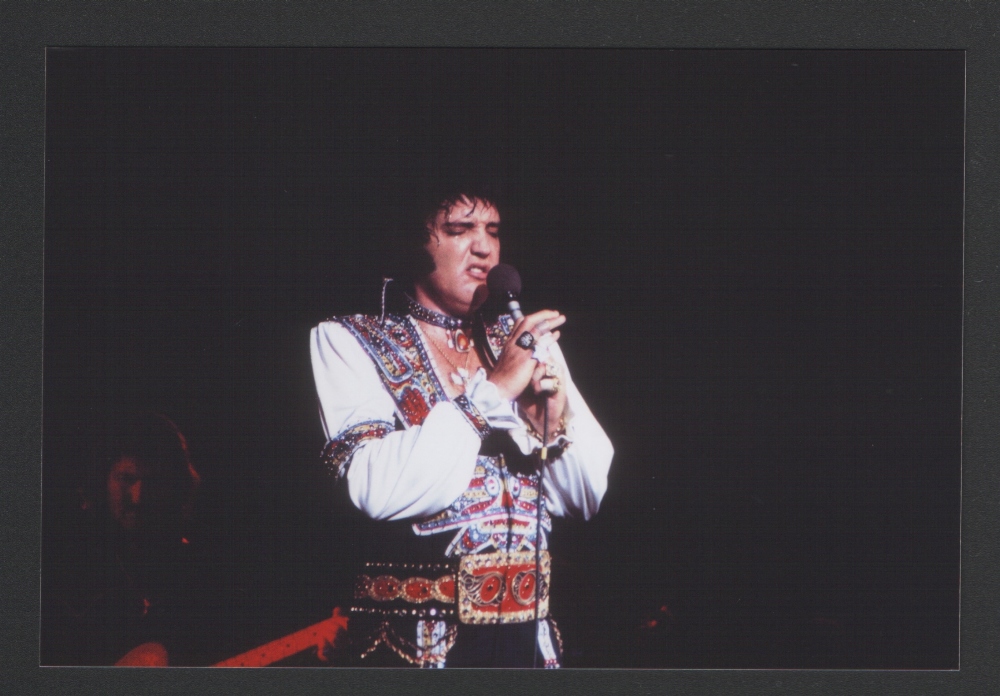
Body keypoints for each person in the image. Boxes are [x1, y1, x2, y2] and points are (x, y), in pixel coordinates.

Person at [310, 183, 614, 667]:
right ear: (414, 242)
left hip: (529, 646)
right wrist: (490, 394)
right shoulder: (348, 340)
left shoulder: (523, 345)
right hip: (416, 647)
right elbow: (375, 488)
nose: (484, 247)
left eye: (492, 230)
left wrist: (547, 427)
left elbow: (583, 499)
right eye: (459, 230)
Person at [41, 411, 207, 666]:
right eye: (127, 479)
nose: (139, 497)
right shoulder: (64, 575)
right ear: (100, 481)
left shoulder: (200, 570)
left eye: (154, 481)